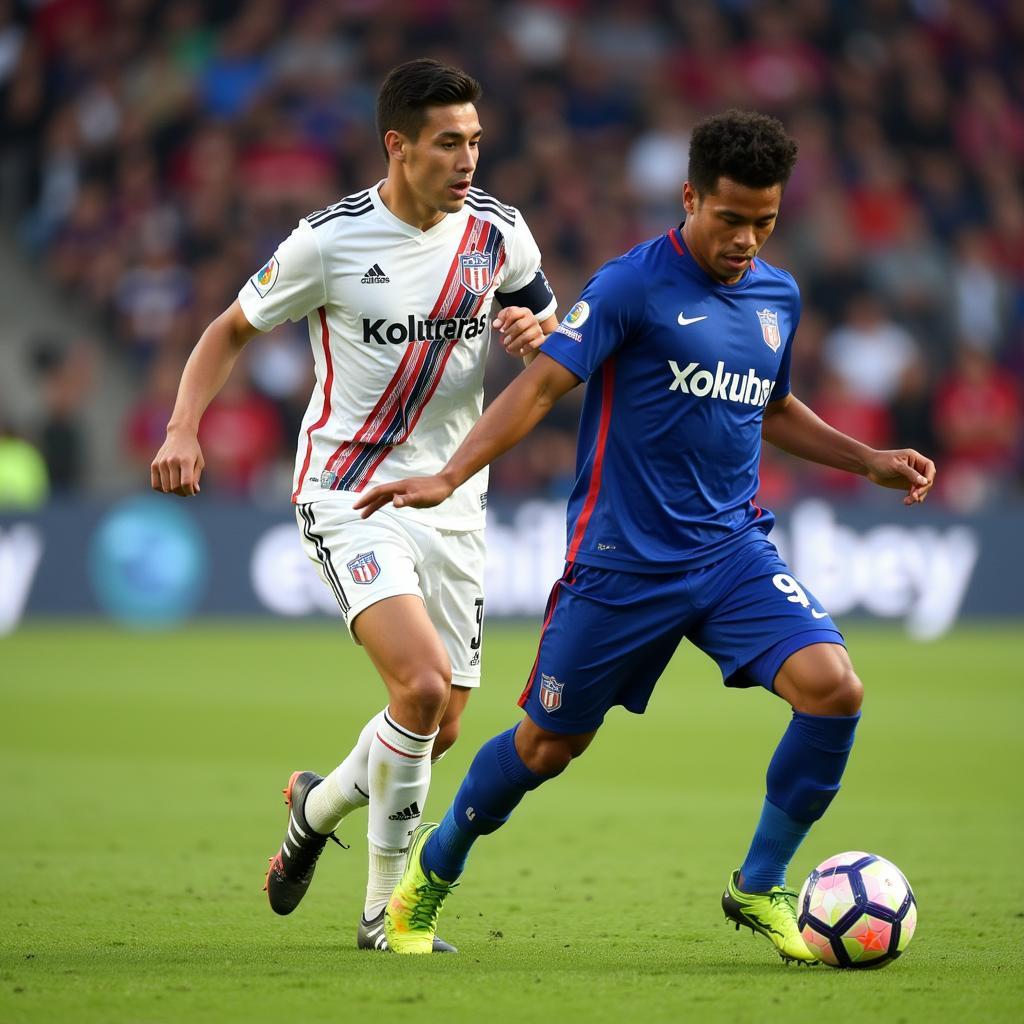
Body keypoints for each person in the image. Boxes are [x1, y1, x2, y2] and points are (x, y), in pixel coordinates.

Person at [353, 109, 937, 961]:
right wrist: (450, 472)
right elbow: (545, 386)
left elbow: (770, 405)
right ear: (690, 196)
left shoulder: (780, 296)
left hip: (732, 550)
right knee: (548, 747)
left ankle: (760, 884)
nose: (746, 240)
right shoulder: (632, 285)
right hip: (622, 563)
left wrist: (868, 460)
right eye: (730, 219)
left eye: (764, 222)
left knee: (834, 688)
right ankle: (429, 875)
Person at [150, 58, 558, 952]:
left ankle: (315, 806)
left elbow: (549, 331)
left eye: (476, 142)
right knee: (415, 688)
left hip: (452, 499)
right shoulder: (327, 242)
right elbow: (227, 331)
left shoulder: (498, 234)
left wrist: (539, 335)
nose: (468, 161)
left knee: (440, 725)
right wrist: (185, 426)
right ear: (398, 145)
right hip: (351, 494)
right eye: (449, 143)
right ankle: (385, 917)